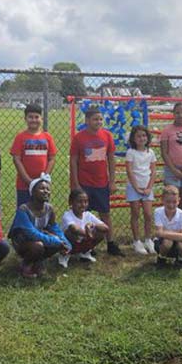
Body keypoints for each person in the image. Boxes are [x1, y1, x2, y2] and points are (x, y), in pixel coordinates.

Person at [70, 107, 123, 256]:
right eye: (95, 119)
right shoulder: (79, 138)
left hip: (101, 183)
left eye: (100, 119)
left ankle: (110, 243)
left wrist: (112, 181)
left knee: (105, 213)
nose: (98, 122)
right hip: (84, 182)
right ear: (87, 121)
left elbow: (111, 159)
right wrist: (75, 183)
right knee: (83, 214)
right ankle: (86, 245)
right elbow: (73, 161)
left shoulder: (107, 135)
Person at [9, 174, 70, 278]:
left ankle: (38, 262)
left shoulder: (49, 209)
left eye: (48, 189)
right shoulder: (23, 210)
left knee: (56, 240)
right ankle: (26, 264)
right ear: (32, 192)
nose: (46, 191)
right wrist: (56, 241)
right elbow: (31, 234)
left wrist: (65, 242)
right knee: (39, 246)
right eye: (42, 188)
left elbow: (54, 227)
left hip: (39, 239)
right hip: (23, 242)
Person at [10, 103, 57, 207]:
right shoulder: (20, 137)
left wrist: (44, 178)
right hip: (24, 185)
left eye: (37, 117)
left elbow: (52, 158)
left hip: (42, 185)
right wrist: (28, 180)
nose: (34, 120)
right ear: (25, 119)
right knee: (24, 211)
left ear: (41, 118)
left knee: (42, 211)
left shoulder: (47, 137)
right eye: (30, 117)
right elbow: (16, 159)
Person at [59, 188, 109, 268]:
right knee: (70, 233)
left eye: (86, 202)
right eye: (79, 202)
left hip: (83, 239)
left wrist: (93, 225)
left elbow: (106, 228)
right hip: (69, 241)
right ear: (71, 202)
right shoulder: (67, 215)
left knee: (101, 233)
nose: (83, 204)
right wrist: (88, 234)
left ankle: (84, 252)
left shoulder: (88, 215)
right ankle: (65, 254)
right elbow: (74, 228)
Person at [126, 125, 157, 255]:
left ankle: (148, 239)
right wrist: (136, 187)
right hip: (134, 187)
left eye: (144, 135)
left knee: (148, 214)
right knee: (135, 213)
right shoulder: (131, 153)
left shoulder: (150, 152)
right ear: (133, 138)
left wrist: (149, 187)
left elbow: (153, 171)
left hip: (147, 188)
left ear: (148, 137)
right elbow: (129, 170)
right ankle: (137, 241)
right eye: (138, 136)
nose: (141, 138)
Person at [153, 185, 182, 270]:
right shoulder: (158, 212)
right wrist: (180, 234)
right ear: (162, 200)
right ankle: (161, 259)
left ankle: (181, 260)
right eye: (168, 202)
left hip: (177, 242)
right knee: (168, 242)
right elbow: (159, 233)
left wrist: (164, 232)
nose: (171, 205)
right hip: (162, 243)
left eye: (174, 202)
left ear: (179, 201)